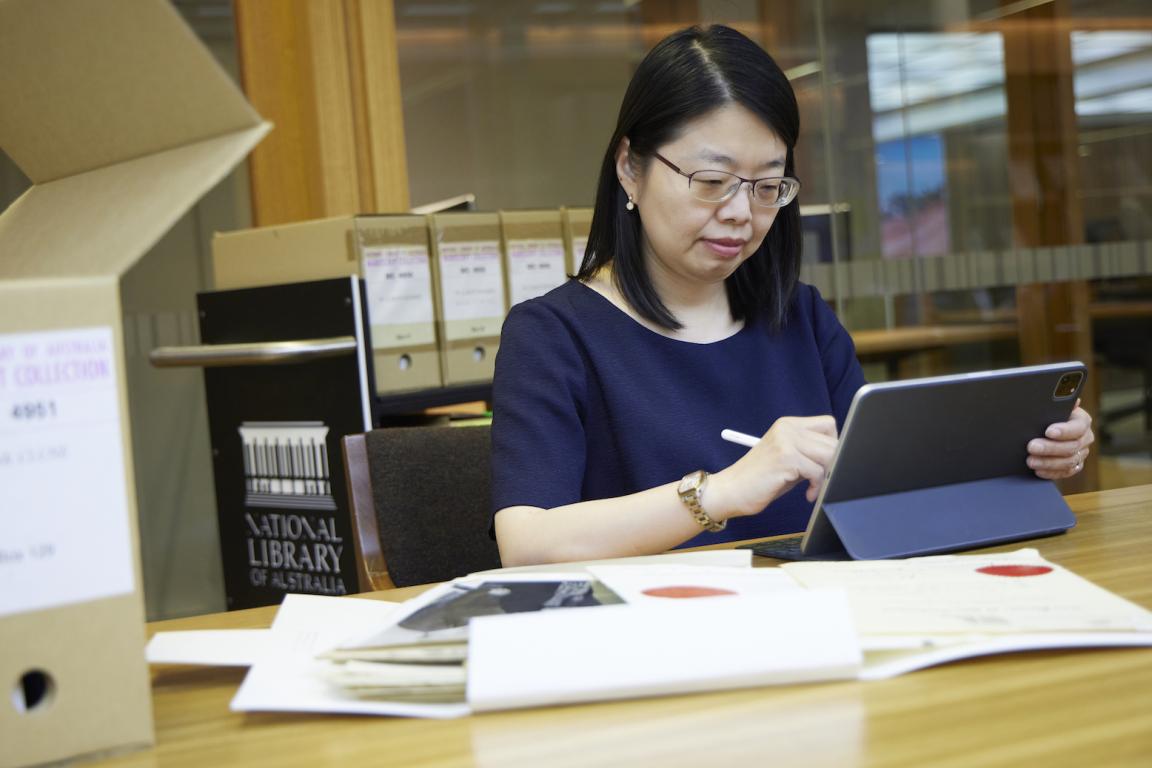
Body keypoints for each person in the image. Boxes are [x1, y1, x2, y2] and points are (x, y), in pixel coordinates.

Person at [490, 24, 1094, 567]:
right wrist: (722, 491)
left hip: (823, 626)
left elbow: (887, 486)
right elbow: (529, 544)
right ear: (630, 167)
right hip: (658, 644)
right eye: (711, 181)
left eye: (767, 186)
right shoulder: (552, 336)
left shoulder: (800, 317)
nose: (740, 214)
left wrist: (1023, 454)